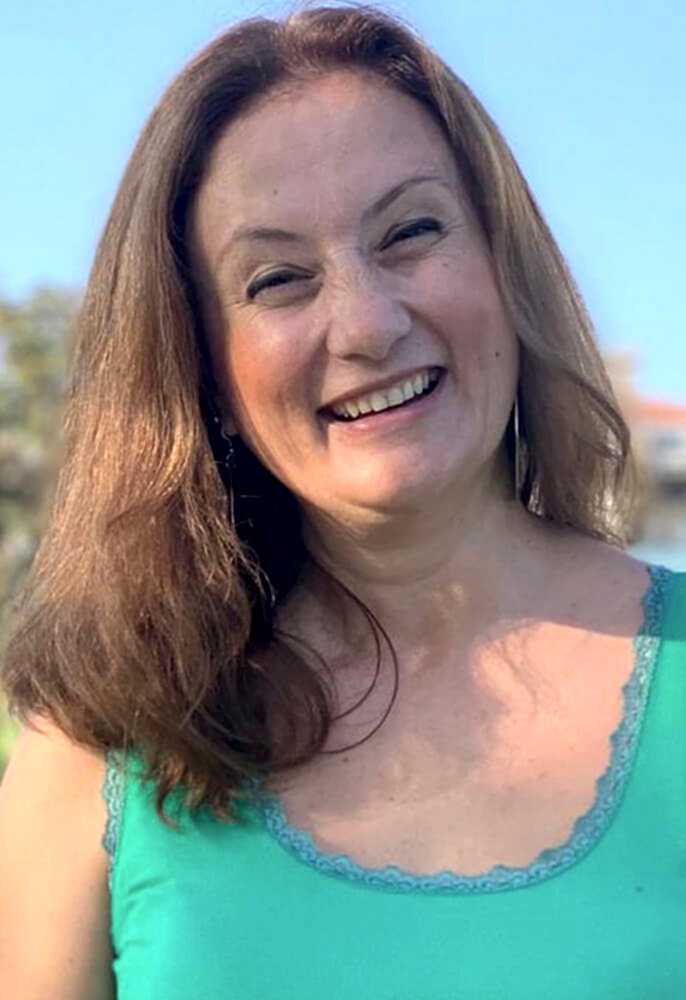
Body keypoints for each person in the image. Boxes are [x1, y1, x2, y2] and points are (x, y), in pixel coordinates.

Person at [1, 5, 684, 998]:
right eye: (278, 279)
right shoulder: (105, 730)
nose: (365, 323)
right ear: (200, 361)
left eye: (411, 231)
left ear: (505, 264)